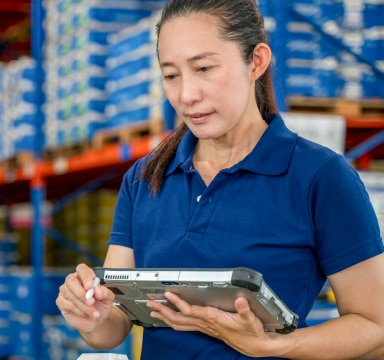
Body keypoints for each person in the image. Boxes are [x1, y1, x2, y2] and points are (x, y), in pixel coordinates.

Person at [55, 0, 384, 358]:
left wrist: (275, 345)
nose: (186, 95)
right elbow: (114, 326)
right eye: (171, 75)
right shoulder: (144, 178)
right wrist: (94, 317)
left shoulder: (320, 178)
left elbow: (375, 326)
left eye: (205, 68)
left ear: (256, 61)